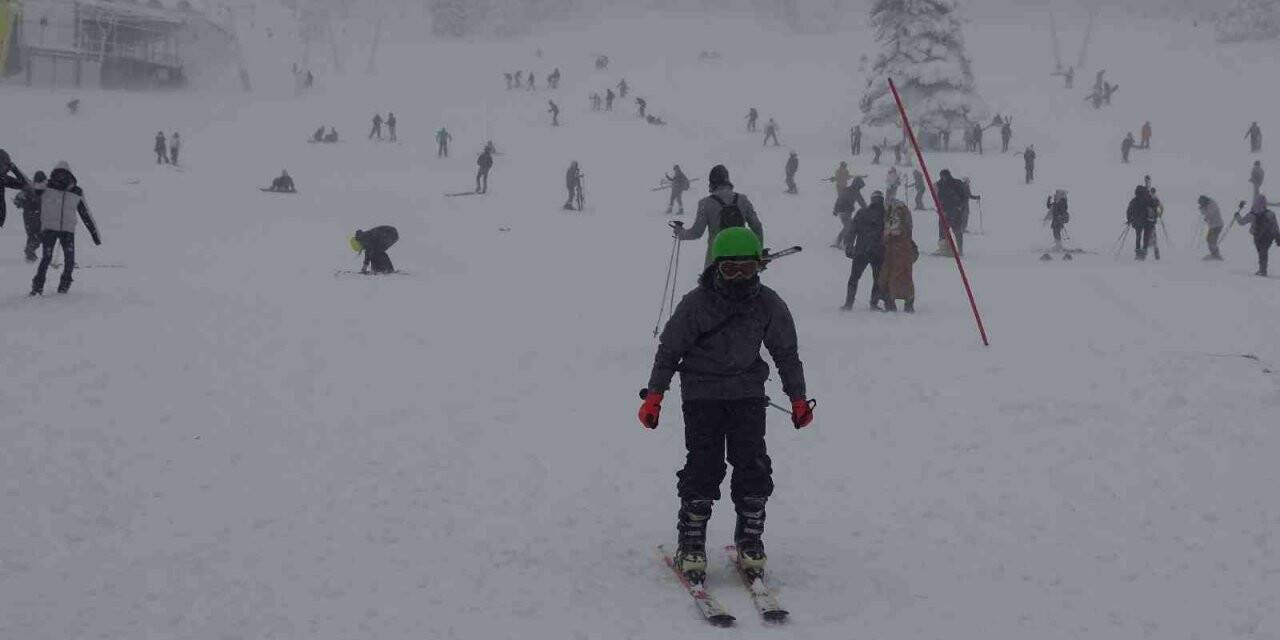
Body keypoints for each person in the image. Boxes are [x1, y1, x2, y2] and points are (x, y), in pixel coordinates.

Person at [639, 226, 810, 578]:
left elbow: (786, 354)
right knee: (704, 464)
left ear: (758, 268)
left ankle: (750, 536)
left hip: (747, 393)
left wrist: (797, 398)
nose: (738, 277)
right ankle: (691, 540)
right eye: (730, 269)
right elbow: (670, 350)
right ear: (716, 267)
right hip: (702, 394)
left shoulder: (768, 304)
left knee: (753, 464)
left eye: (746, 269)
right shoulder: (696, 304)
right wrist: (655, 395)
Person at [31, 161, 102, 295]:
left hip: (64, 231)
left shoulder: (76, 191)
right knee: (55, 259)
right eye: (59, 175)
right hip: (52, 230)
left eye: (64, 175)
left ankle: (52, 287)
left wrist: (95, 236)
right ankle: (44, 286)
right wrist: (38, 177)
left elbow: (85, 214)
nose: (61, 177)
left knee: (60, 259)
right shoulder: (46, 186)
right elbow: (36, 188)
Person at [673, 165, 764, 266]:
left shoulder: (705, 203)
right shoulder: (743, 199)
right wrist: (758, 252)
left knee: (710, 281)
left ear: (712, 181)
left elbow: (696, 233)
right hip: (742, 257)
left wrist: (681, 233)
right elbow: (757, 226)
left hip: (717, 258)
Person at [842, 190, 886, 311]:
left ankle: (848, 303)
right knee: (877, 279)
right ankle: (873, 303)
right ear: (882, 200)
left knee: (854, 278)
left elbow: (852, 230)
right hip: (878, 252)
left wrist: (849, 245)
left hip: (861, 251)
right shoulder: (886, 214)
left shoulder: (862, 212)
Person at [878, 200, 916, 312]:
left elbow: (893, 230)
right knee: (904, 277)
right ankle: (908, 303)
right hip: (903, 250)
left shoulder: (895, 213)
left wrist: (886, 236)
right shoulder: (904, 213)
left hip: (895, 251)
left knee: (890, 277)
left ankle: (891, 303)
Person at [1235, 194, 1280, 276]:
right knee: (1264, 252)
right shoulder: (1270, 214)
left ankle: (1262, 270)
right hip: (1269, 236)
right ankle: (1262, 269)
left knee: (1261, 252)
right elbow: (1275, 226)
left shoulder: (1252, 214)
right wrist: (1278, 237)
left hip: (1258, 236)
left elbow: (1241, 222)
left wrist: (1237, 215)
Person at [937, 169, 977, 256]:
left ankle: (959, 251)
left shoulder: (956, 183)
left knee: (955, 231)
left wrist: (960, 207)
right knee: (944, 231)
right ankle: (945, 250)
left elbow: (965, 196)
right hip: (945, 211)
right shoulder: (940, 184)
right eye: (942, 176)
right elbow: (938, 197)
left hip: (954, 211)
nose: (943, 178)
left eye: (944, 176)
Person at [15, 170, 47, 261]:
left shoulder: (28, 188)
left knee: (33, 235)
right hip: (38, 217)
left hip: (28, 218)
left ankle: (30, 253)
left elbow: (18, 201)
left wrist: (20, 202)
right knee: (39, 236)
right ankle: (30, 251)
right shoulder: (44, 190)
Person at [831, 176, 866, 250]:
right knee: (848, 227)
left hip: (844, 211)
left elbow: (862, 202)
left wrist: (835, 210)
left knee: (848, 227)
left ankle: (841, 242)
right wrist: (867, 209)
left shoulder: (848, 190)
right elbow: (861, 202)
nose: (860, 188)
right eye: (860, 186)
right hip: (844, 211)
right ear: (857, 184)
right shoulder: (854, 191)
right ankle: (842, 242)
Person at [1126, 186, 1158, 261]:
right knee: (1146, 237)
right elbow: (1155, 208)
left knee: (1138, 236)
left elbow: (1129, 211)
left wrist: (1129, 220)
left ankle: (1138, 254)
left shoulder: (1134, 200)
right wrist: (1154, 219)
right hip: (1148, 222)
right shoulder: (1148, 199)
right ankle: (1144, 253)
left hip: (1137, 222)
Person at [1198, 195, 1224, 261]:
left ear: (1204, 201)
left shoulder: (1212, 204)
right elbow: (1204, 214)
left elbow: (1209, 214)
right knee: (1209, 239)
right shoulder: (1207, 205)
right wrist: (1202, 209)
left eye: (1201, 203)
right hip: (1213, 225)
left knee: (1211, 240)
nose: (1201, 204)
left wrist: (1203, 209)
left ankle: (1216, 255)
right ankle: (1214, 254)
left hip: (1217, 225)